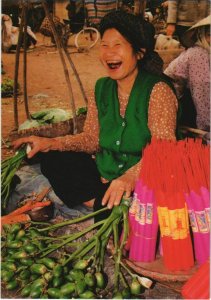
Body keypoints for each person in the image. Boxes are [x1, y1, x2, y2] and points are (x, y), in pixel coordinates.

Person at [13, 10, 178, 218]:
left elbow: (165, 151)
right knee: (54, 160)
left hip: (145, 178)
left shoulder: (157, 90)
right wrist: (52, 143)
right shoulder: (100, 88)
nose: (109, 53)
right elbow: (92, 139)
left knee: (155, 198)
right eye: (104, 45)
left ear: (139, 52)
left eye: (118, 45)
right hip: (103, 174)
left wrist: (131, 177)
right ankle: (100, 204)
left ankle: (106, 205)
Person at [164, 15, 210, 131]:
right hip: (175, 103)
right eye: (209, 34)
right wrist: (206, 130)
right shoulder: (198, 54)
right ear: (202, 35)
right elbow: (202, 95)